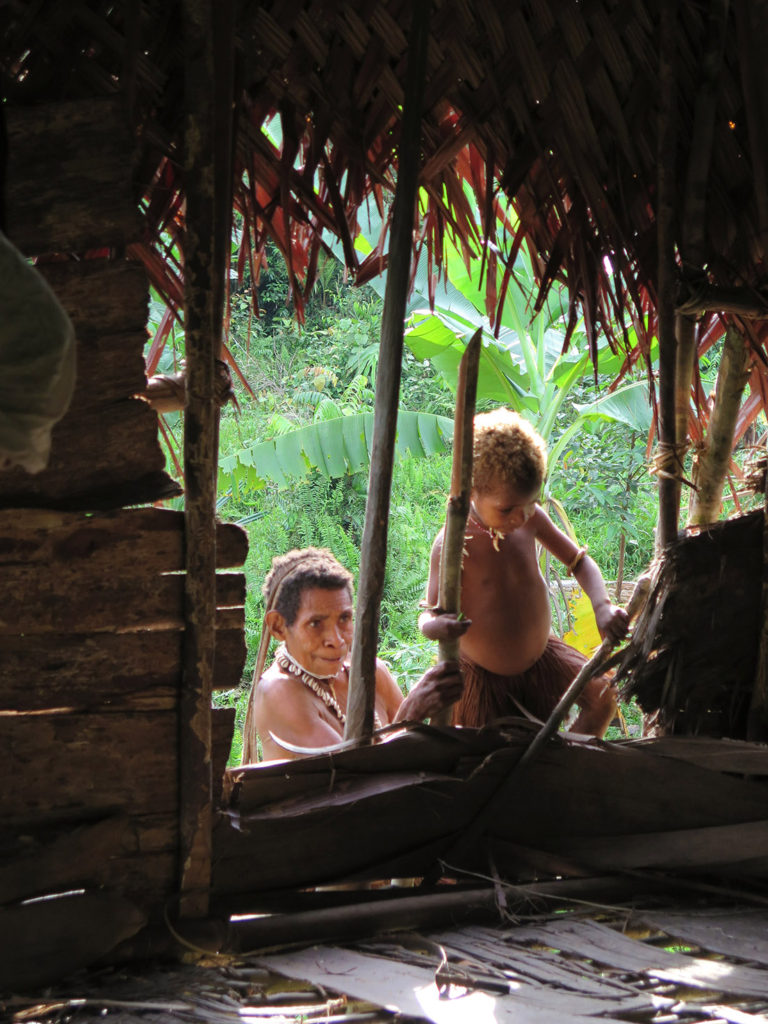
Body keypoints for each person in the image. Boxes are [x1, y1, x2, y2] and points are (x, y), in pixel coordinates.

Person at [419, 407, 629, 736]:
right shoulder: (453, 544)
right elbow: (427, 617)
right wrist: (438, 626)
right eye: (508, 509)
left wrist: (602, 607)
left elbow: (580, 562)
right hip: (483, 678)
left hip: (545, 658)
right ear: (472, 491)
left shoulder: (530, 519)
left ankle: (566, 763)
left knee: (602, 696)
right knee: (495, 754)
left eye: (531, 502)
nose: (522, 516)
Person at [241, 547, 464, 763]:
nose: (336, 640)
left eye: (344, 619)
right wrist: (411, 713)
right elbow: (352, 774)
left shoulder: (372, 672)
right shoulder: (279, 691)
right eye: (315, 623)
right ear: (278, 626)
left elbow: (416, 751)